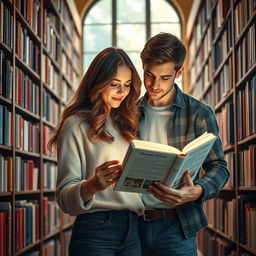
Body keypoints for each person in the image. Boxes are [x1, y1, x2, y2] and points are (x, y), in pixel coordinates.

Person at [138, 33, 230, 255]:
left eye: (165, 77)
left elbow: (219, 167)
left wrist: (197, 191)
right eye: (149, 75)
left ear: (178, 73)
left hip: (177, 225)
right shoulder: (127, 113)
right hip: (131, 225)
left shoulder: (199, 113)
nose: (154, 85)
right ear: (142, 65)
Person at [48, 47, 144, 256]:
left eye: (127, 85)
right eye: (114, 84)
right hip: (96, 231)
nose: (122, 92)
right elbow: (64, 199)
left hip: (134, 229)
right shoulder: (76, 125)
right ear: (98, 82)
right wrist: (93, 185)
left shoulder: (128, 123)